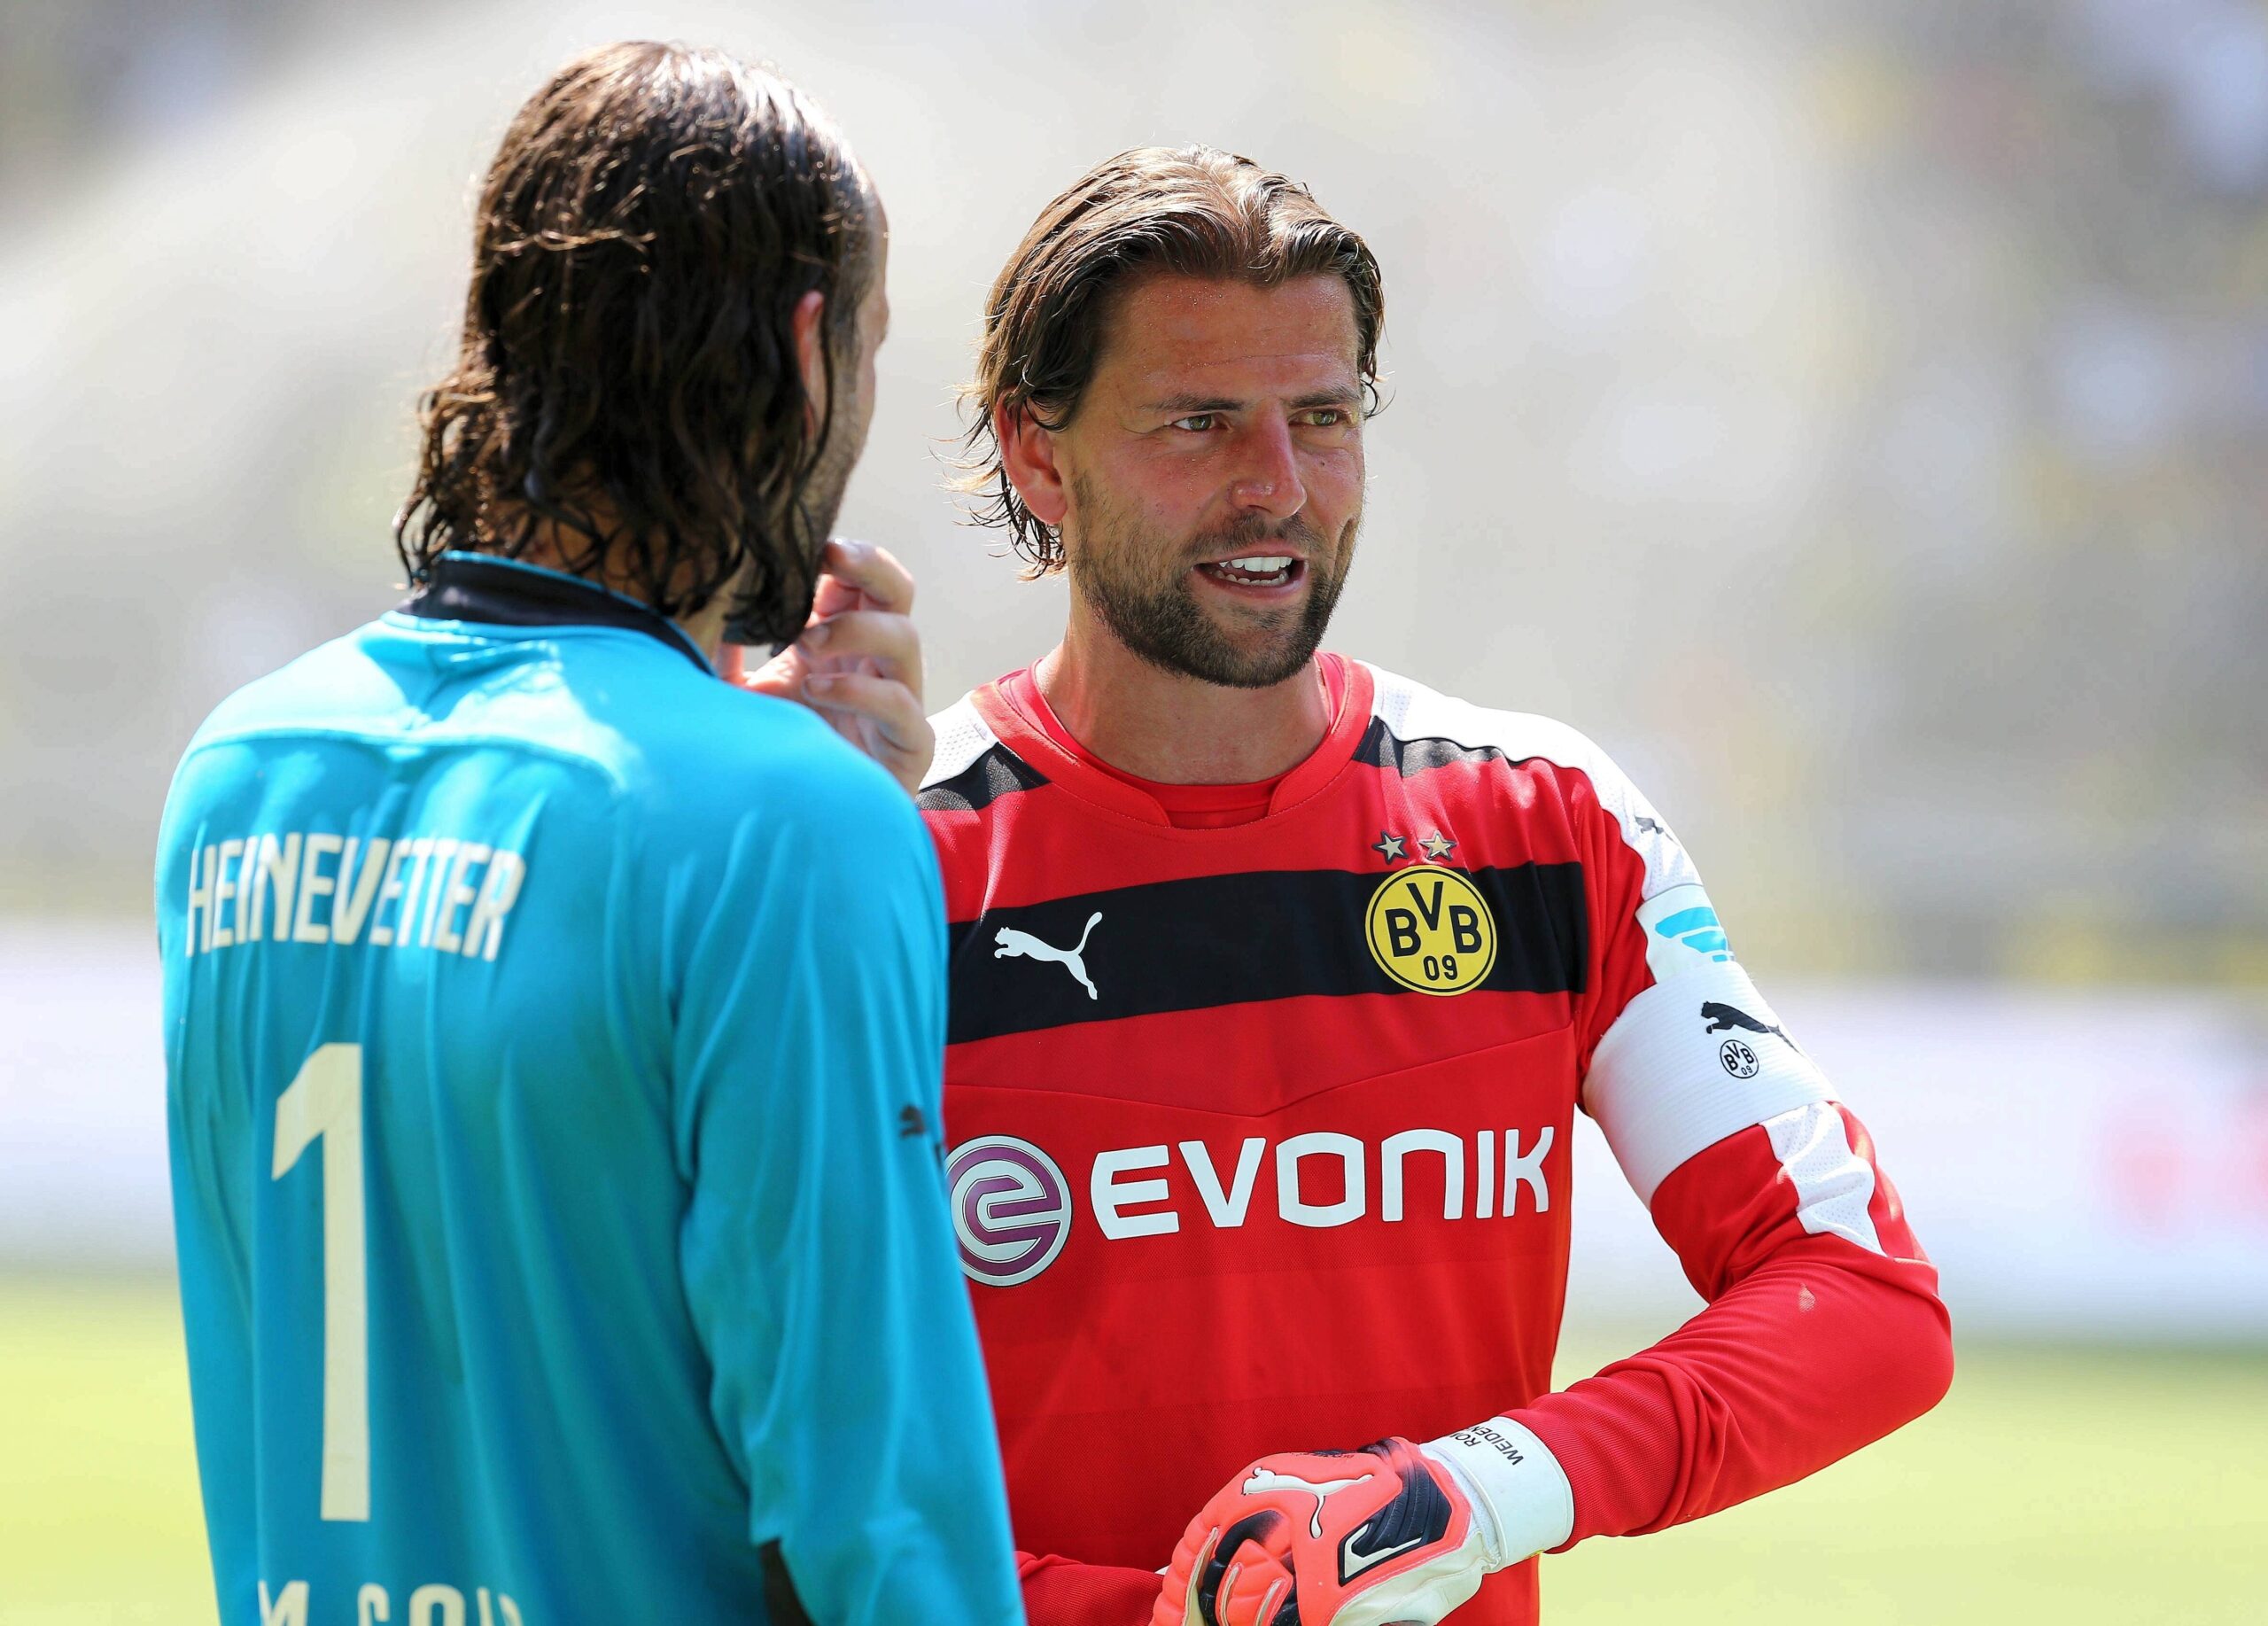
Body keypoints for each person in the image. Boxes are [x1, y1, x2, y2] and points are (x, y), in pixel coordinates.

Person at [921, 145, 1954, 1626]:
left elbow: (1864, 1303)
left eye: (1322, 418)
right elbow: (737, 1463)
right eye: (1198, 422)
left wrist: (1473, 1492)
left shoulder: (1546, 823)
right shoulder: (883, 871)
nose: (1275, 487)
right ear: (1038, 454)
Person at [157, 43, 1020, 1625]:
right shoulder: (783, 827)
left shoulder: (241, 771)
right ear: (810, 350)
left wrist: (742, 756)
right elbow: (876, 1508)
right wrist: (809, 825)